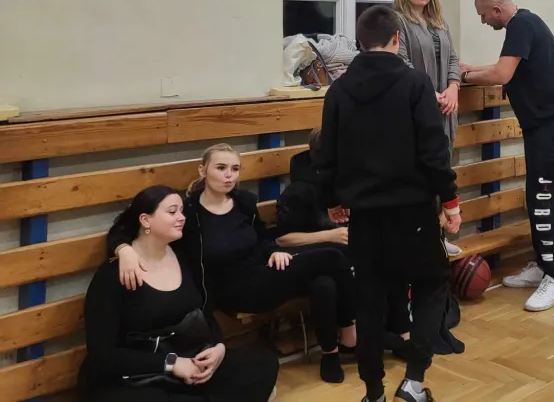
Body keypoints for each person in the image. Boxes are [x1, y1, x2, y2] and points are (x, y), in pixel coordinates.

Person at [111, 145, 357, 384]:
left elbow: (262, 236)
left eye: (235, 169)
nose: (229, 175)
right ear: (202, 170)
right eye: (221, 168)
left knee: (324, 281)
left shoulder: (243, 202)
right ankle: (350, 331)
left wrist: (273, 251)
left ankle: (332, 354)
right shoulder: (188, 212)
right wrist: (123, 250)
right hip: (233, 289)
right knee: (332, 256)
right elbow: (124, 226)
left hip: (262, 271)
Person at [315, 5, 461, 402]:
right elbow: (434, 150)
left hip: (365, 217)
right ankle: (413, 381)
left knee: (369, 302)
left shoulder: (339, 89)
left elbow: (327, 152)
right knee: (431, 285)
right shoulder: (414, 83)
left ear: (361, 42)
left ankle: (373, 392)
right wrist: (450, 200)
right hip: (413, 212)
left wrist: (331, 199)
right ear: (397, 38)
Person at [79, 186, 279, 402]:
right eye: (172, 212)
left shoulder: (186, 257)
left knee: (263, 364)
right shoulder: (113, 274)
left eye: (182, 211)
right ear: (145, 220)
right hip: (136, 375)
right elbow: (102, 356)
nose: (181, 218)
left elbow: (204, 312)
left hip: (188, 361)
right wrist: (171, 363)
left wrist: (218, 347)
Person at [462, 0, 554, 312]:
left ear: (496, 9)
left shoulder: (521, 25)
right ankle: (543, 265)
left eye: (483, 15)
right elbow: (505, 67)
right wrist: (471, 70)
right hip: (544, 126)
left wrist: (465, 75)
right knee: (536, 197)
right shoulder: (523, 25)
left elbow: (502, 73)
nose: (484, 21)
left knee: (548, 199)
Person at [275, 129, 413, 356]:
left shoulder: (350, 183)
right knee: (332, 280)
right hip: (315, 259)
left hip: (350, 251)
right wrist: (328, 236)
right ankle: (352, 338)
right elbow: (282, 239)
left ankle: (402, 333)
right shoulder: (298, 191)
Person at [394, 0, 464, 257]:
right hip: (417, 108)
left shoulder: (438, 21)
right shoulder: (397, 20)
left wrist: (453, 87)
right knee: (421, 177)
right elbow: (401, 62)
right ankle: (421, 239)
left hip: (445, 108)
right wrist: (429, 93)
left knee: (442, 174)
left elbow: (453, 59)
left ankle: (439, 236)